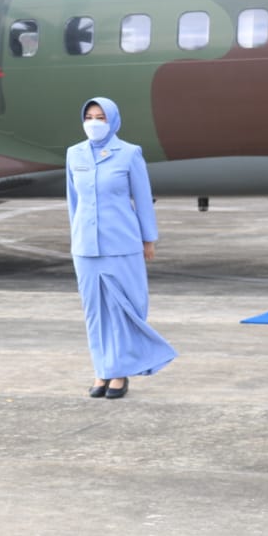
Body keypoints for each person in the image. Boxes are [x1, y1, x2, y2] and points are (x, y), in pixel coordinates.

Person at [66, 97, 176, 399]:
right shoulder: (73, 154)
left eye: (100, 116)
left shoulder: (129, 154)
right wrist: (75, 238)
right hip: (86, 248)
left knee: (124, 309)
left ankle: (120, 372)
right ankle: (102, 371)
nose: (94, 122)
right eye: (89, 116)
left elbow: (143, 198)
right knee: (95, 312)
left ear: (112, 120)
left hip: (122, 243)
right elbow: (73, 203)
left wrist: (148, 238)